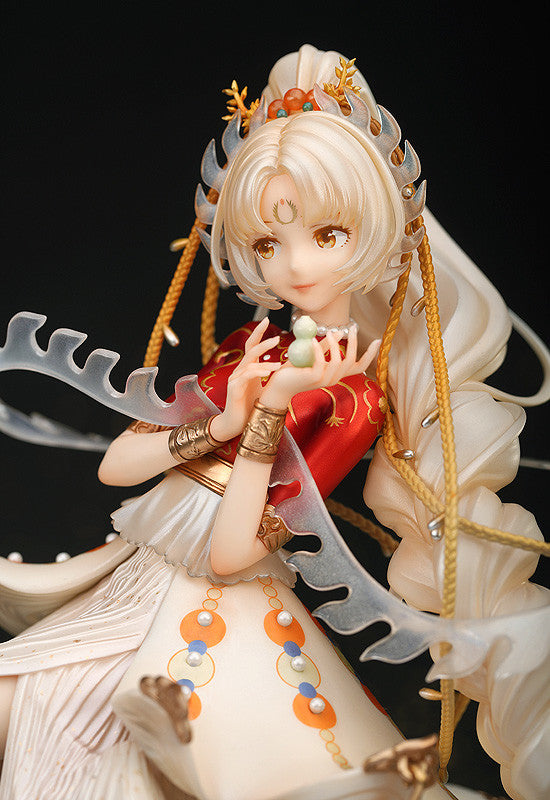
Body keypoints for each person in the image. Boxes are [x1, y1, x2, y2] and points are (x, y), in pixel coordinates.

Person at [0, 44, 547, 800]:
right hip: (137, 577)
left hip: (216, 608)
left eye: (327, 235)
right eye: (268, 242)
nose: (296, 265)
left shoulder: (353, 402)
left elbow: (231, 554)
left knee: (164, 758)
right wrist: (225, 418)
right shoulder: (246, 345)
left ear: (372, 229)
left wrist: (270, 411)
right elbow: (116, 467)